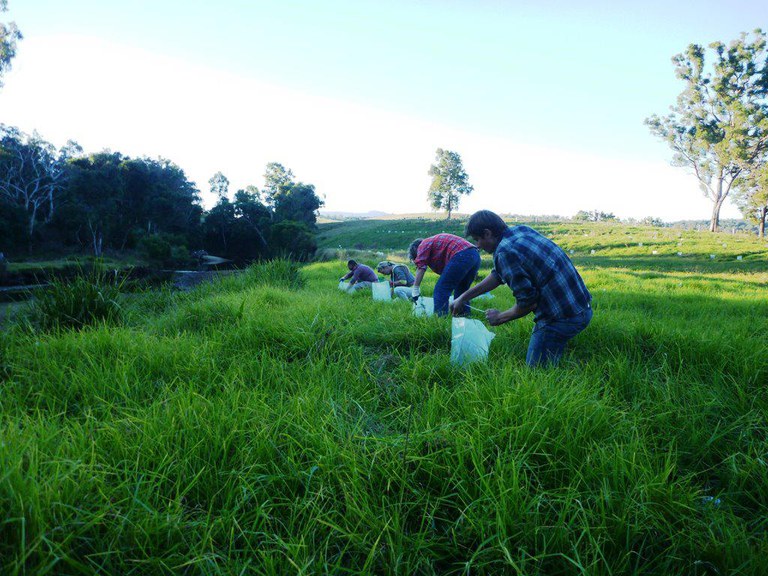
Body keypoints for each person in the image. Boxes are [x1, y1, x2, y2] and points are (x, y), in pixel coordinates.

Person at [450, 210, 592, 367]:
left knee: (536, 373)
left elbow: (528, 302)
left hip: (562, 318)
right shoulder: (521, 230)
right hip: (582, 306)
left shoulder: (504, 252)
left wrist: (501, 317)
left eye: (477, 240)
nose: (477, 245)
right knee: (550, 356)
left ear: (487, 233)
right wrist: (463, 297)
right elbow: (498, 274)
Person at [408, 233, 481, 316]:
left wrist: (415, 289)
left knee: (441, 289)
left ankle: (441, 321)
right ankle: (464, 319)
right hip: (475, 256)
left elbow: (421, 267)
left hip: (462, 254)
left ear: (416, 251)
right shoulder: (435, 248)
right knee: (461, 292)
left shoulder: (423, 245)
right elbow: (448, 273)